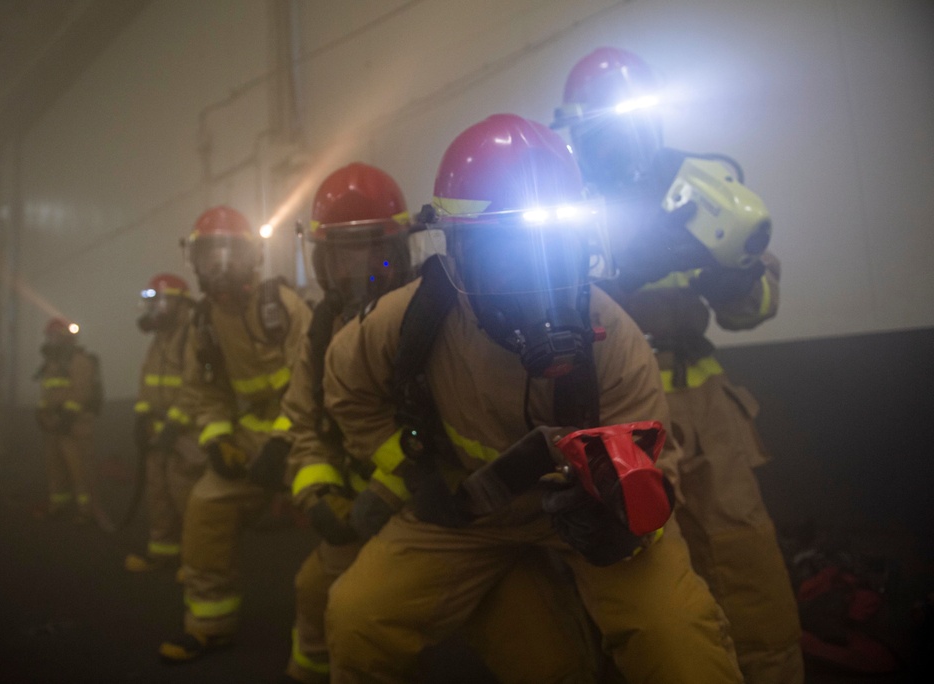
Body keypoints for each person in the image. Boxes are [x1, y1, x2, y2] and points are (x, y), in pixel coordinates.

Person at [321, 113, 742, 683]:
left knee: (677, 639)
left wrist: (622, 518)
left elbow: (651, 465)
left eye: (555, 247)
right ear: (458, 252)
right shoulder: (412, 320)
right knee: (357, 617)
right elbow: (347, 388)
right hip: (467, 507)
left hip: (583, 511)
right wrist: (416, 471)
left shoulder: (611, 337)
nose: (538, 277)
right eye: (507, 252)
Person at [281, 162, 598, 683]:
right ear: (321, 260)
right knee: (328, 602)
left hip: (457, 507)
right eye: (343, 253)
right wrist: (318, 493)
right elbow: (303, 422)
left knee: (550, 660)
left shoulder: (437, 313)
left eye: (376, 250)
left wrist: (397, 487)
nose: (361, 269)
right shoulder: (319, 335)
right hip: (363, 509)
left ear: (402, 248)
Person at [551, 46, 803, 683]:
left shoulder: (700, 187)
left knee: (747, 566)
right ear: (576, 131)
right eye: (603, 127)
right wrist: (623, 272)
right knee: (636, 585)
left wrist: (736, 278)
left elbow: (755, 307)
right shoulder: (560, 205)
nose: (620, 140)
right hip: (611, 417)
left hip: (703, 409)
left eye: (632, 121)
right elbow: (542, 315)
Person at [158, 206, 312, 661]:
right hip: (251, 436)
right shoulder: (204, 323)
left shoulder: (282, 307)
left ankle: (334, 637)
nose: (221, 268)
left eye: (230, 255)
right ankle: (210, 623)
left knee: (337, 515)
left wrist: (282, 442)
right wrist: (217, 440)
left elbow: (312, 384)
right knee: (207, 504)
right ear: (195, 262)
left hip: (306, 433)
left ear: (252, 258)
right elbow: (205, 392)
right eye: (210, 257)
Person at [124, 273, 205, 572]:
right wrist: (142, 414)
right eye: (152, 302)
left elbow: (196, 386)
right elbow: (147, 381)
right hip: (160, 433)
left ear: (180, 304)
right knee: (158, 495)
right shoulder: (160, 339)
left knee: (186, 496)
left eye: (161, 301)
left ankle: (196, 563)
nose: (155, 309)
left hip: (185, 433)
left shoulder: (191, 336)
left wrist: (175, 423)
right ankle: (163, 553)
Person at [34, 317, 101, 524]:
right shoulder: (51, 364)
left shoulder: (80, 360)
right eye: (49, 336)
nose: (51, 340)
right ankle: (58, 505)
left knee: (79, 469)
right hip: (55, 425)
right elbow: (47, 392)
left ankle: (86, 511)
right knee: (55, 468)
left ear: (65, 338)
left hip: (75, 426)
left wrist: (67, 416)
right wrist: (42, 412)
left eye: (55, 336)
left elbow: (82, 392)